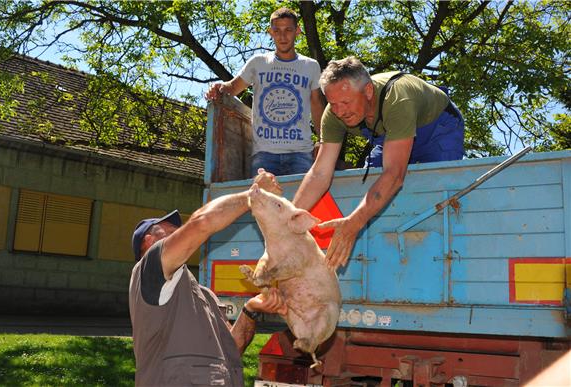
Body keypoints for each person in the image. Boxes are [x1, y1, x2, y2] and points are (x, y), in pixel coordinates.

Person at [293, 56, 464, 271]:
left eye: (345, 103)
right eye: (333, 104)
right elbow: (319, 173)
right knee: (372, 191)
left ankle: (440, 262)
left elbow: (394, 174)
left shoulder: (398, 98)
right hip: (390, 135)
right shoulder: (334, 113)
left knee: (437, 197)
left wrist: (352, 224)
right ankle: (385, 261)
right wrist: (289, 219)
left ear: (368, 91)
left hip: (438, 130)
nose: (339, 111)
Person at [129, 170, 286, 386]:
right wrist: (254, 195)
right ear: (148, 242)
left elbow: (233, 349)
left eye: (179, 229)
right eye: (170, 231)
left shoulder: (204, 295)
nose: (178, 232)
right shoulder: (148, 272)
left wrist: (251, 310)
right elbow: (202, 223)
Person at [205, 7, 325, 176]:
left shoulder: (310, 65)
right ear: (270, 32)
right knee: (261, 201)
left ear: (297, 31)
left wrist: (322, 141)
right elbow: (232, 88)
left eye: (288, 30)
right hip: (264, 154)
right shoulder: (258, 62)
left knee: (300, 203)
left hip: (301, 153)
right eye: (277, 30)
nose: (282, 36)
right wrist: (217, 88)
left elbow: (317, 104)